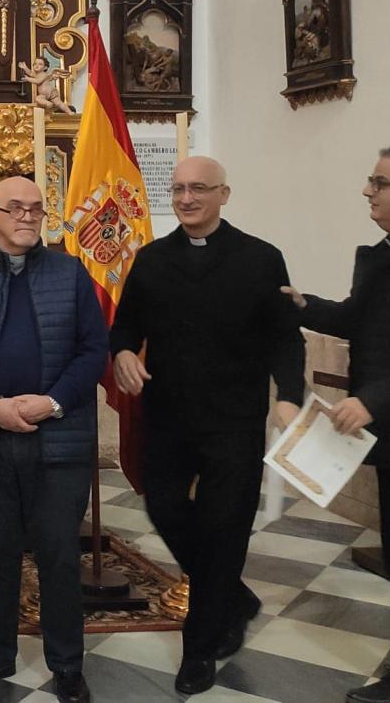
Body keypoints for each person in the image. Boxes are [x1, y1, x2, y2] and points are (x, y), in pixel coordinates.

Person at [109, 156, 304, 695]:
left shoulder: (261, 259)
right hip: (168, 419)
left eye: (198, 188)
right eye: (177, 189)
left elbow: (286, 337)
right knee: (164, 508)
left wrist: (289, 397)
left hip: (233, 423)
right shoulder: (151, 259)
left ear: (224, 194)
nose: (186, 198)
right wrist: (122, 351)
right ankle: (232, 597)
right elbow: (125, 326)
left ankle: (200, 649)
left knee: (224, 528)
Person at [283, 146, 390, 703]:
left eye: (379, 182)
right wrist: (303, 305)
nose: (366, 191)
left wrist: (372, 402)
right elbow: (359, 318)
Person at [0, 176, 107, 703]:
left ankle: (67, 664)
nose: (28, 216)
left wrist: (53, 402)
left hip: (59, 439)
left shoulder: (71, 271)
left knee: (59, 555)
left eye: (36, 208)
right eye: (15, 208)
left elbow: (93, 349)